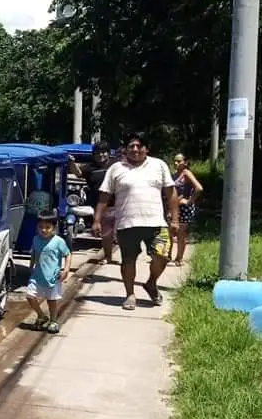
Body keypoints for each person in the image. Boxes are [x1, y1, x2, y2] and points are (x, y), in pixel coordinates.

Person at [93, 133, 179, 310]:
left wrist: (175, 219)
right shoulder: (116, 168)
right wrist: (97, 220)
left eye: (139, 146)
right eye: (131, 146)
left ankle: (151, 283)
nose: (135, 149)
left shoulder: (159, 165)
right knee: (128, 261)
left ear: (146, 148)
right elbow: (104, 196)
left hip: (156, 222)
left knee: (162, 256)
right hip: (127, 223)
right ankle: (130, 294)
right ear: (125, 149)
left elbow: (171, 194)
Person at [68, 141, 117, 263]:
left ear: (108, 153)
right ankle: (108, 257)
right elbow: (78, 173)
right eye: (98, 153)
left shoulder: (116, 164)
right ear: (94, 154)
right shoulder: (90, 167)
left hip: (120, 203)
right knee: (106, 233)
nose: (101, 155)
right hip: (100, 205)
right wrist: (71, 162)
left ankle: (127, 258)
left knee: (123, 232)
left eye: (104, 152)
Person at [25, 209, 71, 334]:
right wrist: (31, 266)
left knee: (52, 301)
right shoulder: (35, 239)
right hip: (37, 275)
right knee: (30, 296)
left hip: (52, 277)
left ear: (54, 228)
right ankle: (41, 315)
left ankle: (53, 320)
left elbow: (67, 254)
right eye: (41, 227)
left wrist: (66, 270)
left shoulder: (58, 241)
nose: (44, 230)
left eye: (47, 227)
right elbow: (34, 253)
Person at [169, 153, 204, 266]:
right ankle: (167, 255)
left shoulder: (186, 173)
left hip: (184, 208)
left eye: (179, 161)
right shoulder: (174, 175)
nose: (176, 163)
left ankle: (179, 258)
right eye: (175, 161)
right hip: (174, 207)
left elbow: (199, 188)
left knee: (180, 233)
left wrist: (189, 201)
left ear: (185, 162)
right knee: (170, 231)